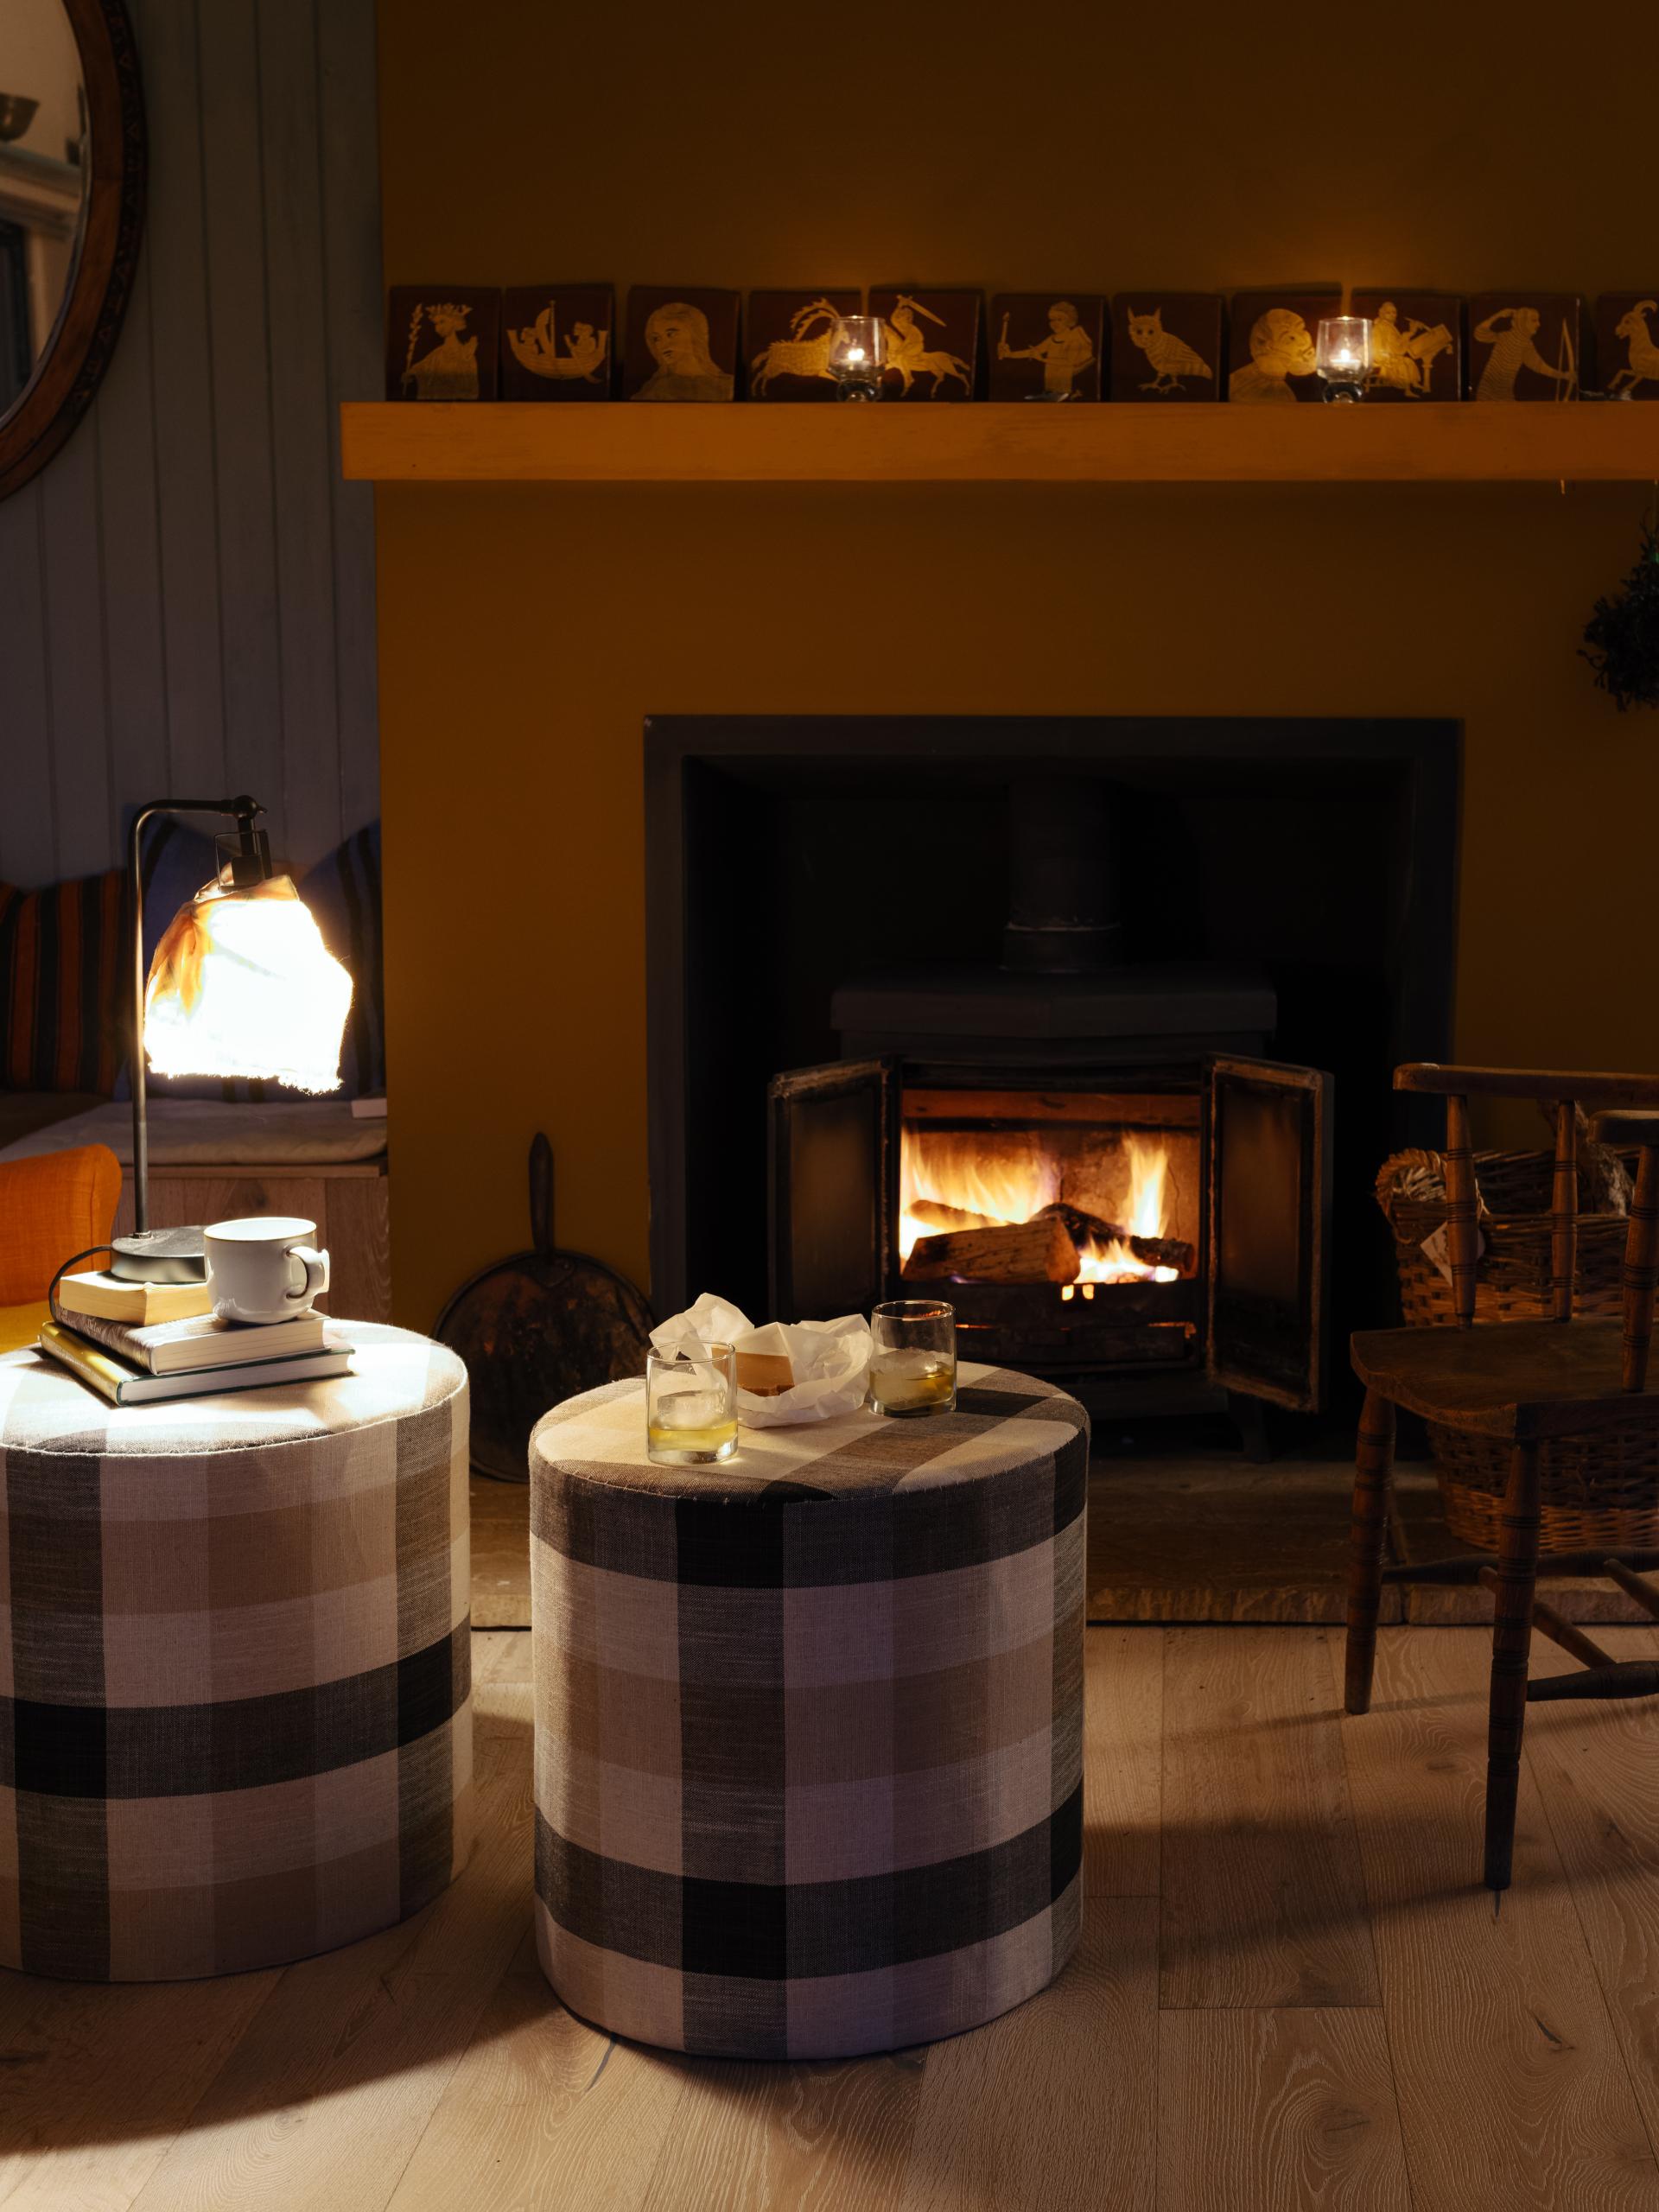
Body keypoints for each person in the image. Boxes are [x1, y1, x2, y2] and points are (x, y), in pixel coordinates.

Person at [634, 302, 733, 402]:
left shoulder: (727, 386)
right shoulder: (655, 390)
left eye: (671, 334)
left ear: (694, 333)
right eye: (657, 338)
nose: (663, 345)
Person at [998, 301, 1096, 397]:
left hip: (1064, 385)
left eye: (1059, 319)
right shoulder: (1052, 338)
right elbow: (1034, 351)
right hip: (1050, 384)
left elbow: (1069, 362)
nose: (1054, 323)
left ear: (1069, 320)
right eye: (1052, 320)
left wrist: (1042, 359)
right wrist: (1010, 354)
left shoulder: (1074, 339)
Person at [1472, 306, 1573, 401]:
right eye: (1534, 320)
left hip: (1505, 395)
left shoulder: (1526, 345)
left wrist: (1563, 375)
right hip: (1487, 394)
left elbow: (1540, 366)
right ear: (1522, 322)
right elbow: (1479, 333)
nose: (1538, 324)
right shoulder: (1504, 337)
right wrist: (1498, 315)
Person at [1229, 308, 1316, 402]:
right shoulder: (1244, 388)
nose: (1303, 341)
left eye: (1301, 329)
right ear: (1270, 346)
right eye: (1290, 338)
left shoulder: (1282, 388)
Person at [402, 302, 479, 400]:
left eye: (442, 322)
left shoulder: (466, 353)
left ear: (454, 322)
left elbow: (471, 387)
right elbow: (423, 367)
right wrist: (410, 373)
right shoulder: (437, 354)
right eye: (436, 324)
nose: (438, 327)